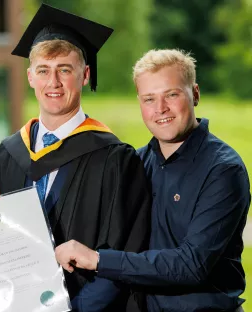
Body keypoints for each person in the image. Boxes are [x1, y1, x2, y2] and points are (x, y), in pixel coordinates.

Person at [0, 4, 151, 311]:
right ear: (30, 77)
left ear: (85, 75)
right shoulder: (8, 153)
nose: (53, 82)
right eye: (43, 70)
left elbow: (123, 257)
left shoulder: (115, 160)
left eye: (65, 70)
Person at [55, 49, 251, 311]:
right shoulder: (135, 164)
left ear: (195, 94)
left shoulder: (223, 170)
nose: (160, 109)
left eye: (171, 94)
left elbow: (191, 265)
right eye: (149, 99)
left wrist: (98, 259)